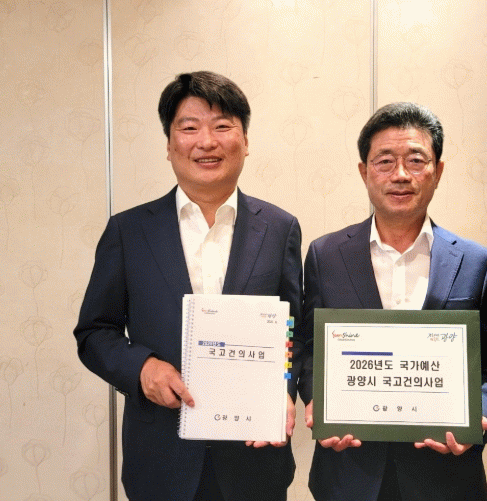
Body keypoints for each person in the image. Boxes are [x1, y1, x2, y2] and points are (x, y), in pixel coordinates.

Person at [74, 71, 303, 501]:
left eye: (222, 126)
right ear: (169, 145)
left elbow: (294, 331)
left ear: (245, 140)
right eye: (190, 127)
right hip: (160, 458)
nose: (207, 142)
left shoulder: (279, 228)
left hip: (254, 460)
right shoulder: (129, 231)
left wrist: (284, 391)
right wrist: (142, 368)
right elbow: (94, 332)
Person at [298, 102, 487, 500]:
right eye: (384, 161)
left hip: (446, 478)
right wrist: (320, 401)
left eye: (416, 160)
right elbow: (310, 349)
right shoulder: (325, 255)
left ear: (438, 171)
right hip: (350, 475)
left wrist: (480, 417)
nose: (400, 174)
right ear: (364, 172)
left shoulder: (475, 262)